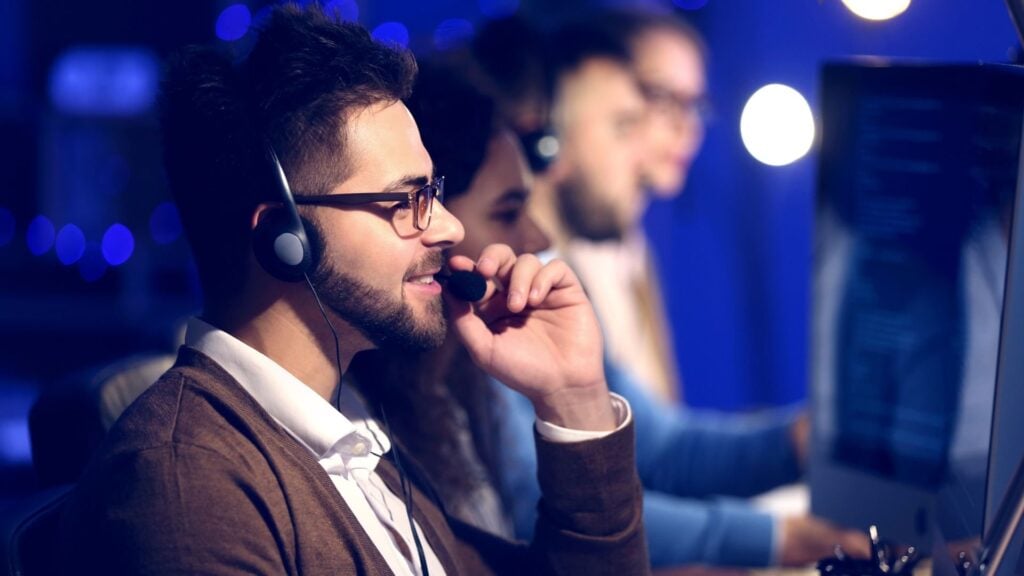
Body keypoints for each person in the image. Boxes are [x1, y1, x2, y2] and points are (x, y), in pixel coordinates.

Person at [55, 5, 648, 574]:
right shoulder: (186, 486)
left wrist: (574, 400)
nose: (448, 226)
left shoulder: (354, 438)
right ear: (285, 237)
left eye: (433, 192)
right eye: (406, 200)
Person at [467, 11, 871, 568]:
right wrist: (778, 537)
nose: (660, 141)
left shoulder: (560, 269)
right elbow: (533, 502)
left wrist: (806, 439)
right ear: (543, 141)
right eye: (625, 123)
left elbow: (657, 445)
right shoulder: (491, 291)